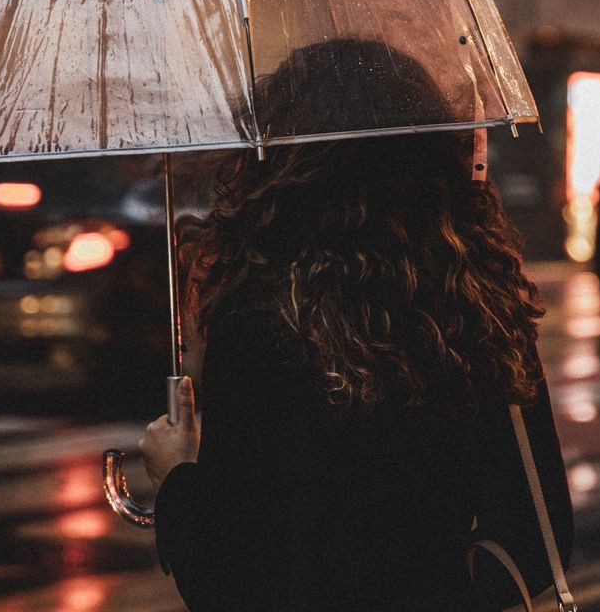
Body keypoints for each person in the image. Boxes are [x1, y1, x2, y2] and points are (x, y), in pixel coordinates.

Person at [138, 39, 573, 611]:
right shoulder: (476, 304)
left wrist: (176, 480)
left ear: (289, 164)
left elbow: (235, 585)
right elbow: (540, 540)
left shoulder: (264, 322)